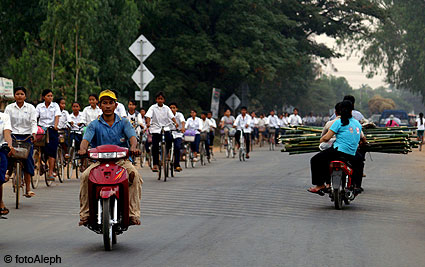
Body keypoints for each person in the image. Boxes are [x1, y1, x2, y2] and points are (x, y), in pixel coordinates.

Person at [78, 90, 143, 226]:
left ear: (116, 105)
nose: (108, 106)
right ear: (100, 105)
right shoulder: (94, 124)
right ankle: (85, 214)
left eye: (110, 103)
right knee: (85, 177)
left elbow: (132, 137)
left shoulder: (124, 122)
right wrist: (83, 149)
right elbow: (86, 140)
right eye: (105, 103)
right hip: (99, 162)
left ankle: (133, 213)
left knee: (134, 176)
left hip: (121, 162)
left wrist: (133, 147)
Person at [309, 101, 366, 194]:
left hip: (338, 151)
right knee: (360, 162)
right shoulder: (357, 124)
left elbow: (327, 137)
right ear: (352, 110)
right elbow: (361, 138)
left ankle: (320, 185)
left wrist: (321, 140)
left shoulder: (338, 122)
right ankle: (357, 186)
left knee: (315, 160)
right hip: (352, 153)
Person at [4, 86, 37, 198]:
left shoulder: (31, 108)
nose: (19, 96)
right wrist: (6, 135)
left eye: (22, 94)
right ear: (14, 96)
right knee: (7, 154)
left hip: (26, 137)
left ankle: (28, 189)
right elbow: (5, 122)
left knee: (28, 160)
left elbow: (33, 122)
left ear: (25, 96)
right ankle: (7, 173)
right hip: (12, 135)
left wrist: (33, 133)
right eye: (17, 94)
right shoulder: (9, 108)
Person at [145, 92, 178, 172]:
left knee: (169, 139)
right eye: (158, 98)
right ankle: (155, 164)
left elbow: (171, 116)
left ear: (164, 100)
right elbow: (148, 116)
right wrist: (148, 123)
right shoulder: (153, 107)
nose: (160, 100)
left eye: (161, 99)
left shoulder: (166, 108)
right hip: (156, 128)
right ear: (156, 99)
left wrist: (175, 122)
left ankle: (167, 153)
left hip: (165, 127)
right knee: (155, 145)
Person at [36, 89, 61, 181]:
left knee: (52, 151)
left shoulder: (55, 106)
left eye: (51, 96)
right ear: (43, 97)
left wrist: (55, 125)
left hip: (51, 129)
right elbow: (35, 116)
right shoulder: (39, 106)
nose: (50, 97)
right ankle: (42, 164)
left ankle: (50, 172)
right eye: (48, 96)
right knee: (39, 148)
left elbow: (57, 116)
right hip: (41, 130)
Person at [0, 111, 14, 216]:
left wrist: (9, 145)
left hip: (1, 148)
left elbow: (7, 132)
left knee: (0, 178)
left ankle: (0, 202)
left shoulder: (4, 117)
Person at [169, 103, 186, 172]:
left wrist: (183, 128)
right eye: (170, 108)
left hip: (178, 133)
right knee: (164, 144)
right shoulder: (166, 115)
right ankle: (164, 158)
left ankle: (177, 165)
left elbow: (182, 121)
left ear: (176, 109)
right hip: (169, 132)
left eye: (174, 108)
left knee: (177, 147)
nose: (172, 109)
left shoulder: (179, 115)